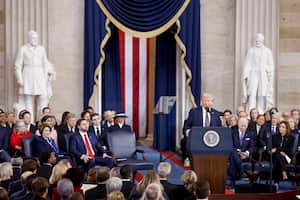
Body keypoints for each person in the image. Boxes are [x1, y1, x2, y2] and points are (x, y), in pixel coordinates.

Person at [14, 30, 56, 119]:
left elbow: (45, 63)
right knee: (28, 101)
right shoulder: (23, 49)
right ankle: (30, 122)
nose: (35, 39)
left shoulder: (41, 49)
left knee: (43, 99)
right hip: (28, 75)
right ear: (29, 38)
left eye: (36, 38)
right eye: (33, 38)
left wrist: (47, 75)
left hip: (40, 75)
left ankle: (43, 121)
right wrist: (19, 78)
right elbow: (18, 64)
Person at [182, 93, 222, 160]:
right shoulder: (194, 112)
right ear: (202, 101)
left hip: (211, 141)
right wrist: (188, 132)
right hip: (197, 139)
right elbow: (187, 126)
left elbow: (219, 129)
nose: (208, 102)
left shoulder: (216, 114)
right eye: (206, 100)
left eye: (210, 101)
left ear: (212, 102)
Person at [242, 33, 274, 113]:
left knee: (262, 94)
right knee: (252, 93)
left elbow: (271, 65)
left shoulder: (267, 51)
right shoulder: (251, 50)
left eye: (259, 40)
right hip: (253, 73)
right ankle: (251, 111)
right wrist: (245, 73)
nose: (258, 41)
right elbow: (247, 63)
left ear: (262, 40)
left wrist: (267, 70)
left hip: (263, 74)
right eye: (256, 40)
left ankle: (261, 112)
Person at [228, 118, 255, 182]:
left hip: (245, 155)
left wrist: (247, 152)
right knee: (233, 153)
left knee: (233, 159)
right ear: (239, 125)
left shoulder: (250, 133)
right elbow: (230, 144)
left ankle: (233, 179)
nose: (243, 127)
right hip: (235, 152)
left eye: (245, 126)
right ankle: (241, 171)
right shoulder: (233, 132)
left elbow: (252, 146)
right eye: (242, 126)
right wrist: (237, 151)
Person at [272, 121, 294, 190]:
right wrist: (280, 151)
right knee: (278, 155)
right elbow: (272, 148)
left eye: (283, 127)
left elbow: (289, 149)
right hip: (275, 156)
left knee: (278, 158)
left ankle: (276, 183)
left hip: (286, 157)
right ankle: (283, 172)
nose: (280, 128)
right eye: (280, 127)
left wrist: (279, 150)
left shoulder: (291, 137)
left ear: (287, 129)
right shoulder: (275, 137)